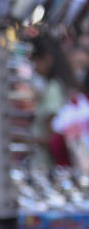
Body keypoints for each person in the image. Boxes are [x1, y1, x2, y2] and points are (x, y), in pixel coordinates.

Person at [31, 33, 82, 167]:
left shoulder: (53, 88)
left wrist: (24, 138)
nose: (34, 66)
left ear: (47, 58)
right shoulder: (62, 85)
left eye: (35, 60)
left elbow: (52, 137)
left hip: (48, 165)